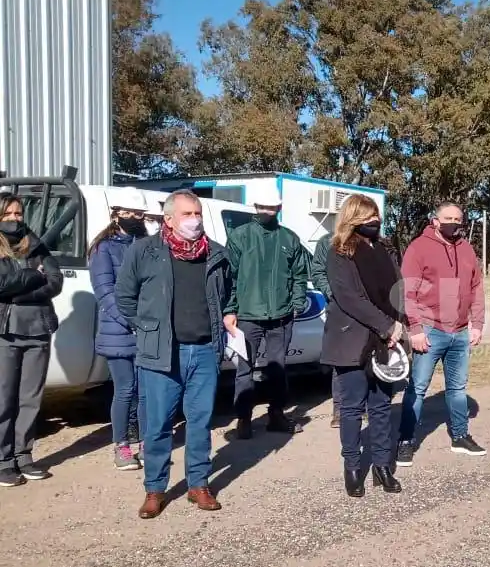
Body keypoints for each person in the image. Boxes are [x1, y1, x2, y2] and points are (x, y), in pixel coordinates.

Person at [116, 189, 233, 518]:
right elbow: (123, 296)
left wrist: (229, 314)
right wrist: (147, 327)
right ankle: (155, 489)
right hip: (162, 354)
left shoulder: (216, 254)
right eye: (187, 214)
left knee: (200, 422)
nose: (194, 220)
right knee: (157, 425)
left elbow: (229, 293)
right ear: (168, 219)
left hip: (205, 351)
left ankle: (198, 484)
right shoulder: (144, 251)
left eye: (197, 214)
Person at [321, 194, 406, 497]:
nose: (375, 222)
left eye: (377, 217)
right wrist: (385, 325)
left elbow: (399, 288)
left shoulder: (385, 249)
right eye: (369, 217)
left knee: (382, 406)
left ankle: (383, 465)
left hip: (387, 338)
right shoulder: (338, 251)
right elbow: (349, 298)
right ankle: (353, 466)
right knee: (352, 407)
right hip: (353, 338)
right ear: (353, 218)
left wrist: (398, 324)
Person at [396, 201, 486, 466]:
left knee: (457, 388)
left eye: (458, 219)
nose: (454, 223)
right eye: (448, 218)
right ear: (435, 221)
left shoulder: (467, 249)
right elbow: (408, 291)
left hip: (459, 332)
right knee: (418, 388)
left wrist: (477, 324)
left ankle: (460, 436)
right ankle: (406, 439)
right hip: (429, 329)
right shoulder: (418, 248)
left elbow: (477, 288)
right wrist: (415, 329)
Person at [224, 183, 309, 439]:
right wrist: (230, 310)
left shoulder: (289, 238)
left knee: (278, 369)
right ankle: (244, 419)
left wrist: (297, 303)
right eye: (262, 207)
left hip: (281, 317)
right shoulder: (240, 237)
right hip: (248, 316)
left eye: (272, 208)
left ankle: (276, 415)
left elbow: (299, 275)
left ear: (279, 208)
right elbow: (231, 277)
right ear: (255, 207)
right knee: (244, 369)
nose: (267, 212)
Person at [0, 194, 63, 487]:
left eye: (18, 213)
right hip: (5, 332)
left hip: (37, 330)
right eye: (8, 214)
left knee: (30, 400)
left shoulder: (35, 243)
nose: (14, 218)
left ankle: (24, 456)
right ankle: (3, 460)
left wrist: (18, 290)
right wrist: (31, 276)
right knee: (4, 400)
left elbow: (55, 281)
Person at [88, 188, 150, 471]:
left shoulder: (146, 243)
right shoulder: (103, 248)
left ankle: (146, 440)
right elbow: (105, 292)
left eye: (141, 214)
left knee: (146, 389)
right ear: (117, 214)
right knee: (125, 389)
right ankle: (122, 445)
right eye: (133, 213)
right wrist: (132, 319)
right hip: (119, 330)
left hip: (146, 328)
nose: (138, 218)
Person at [309, 232, 340, 428]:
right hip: (338, 309)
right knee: (341, 359)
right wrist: (332, 293)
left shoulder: (370, 241)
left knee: (366, 360)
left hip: (367, 310)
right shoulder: (327, 242)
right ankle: (340, 409)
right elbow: (317, 271)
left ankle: (365, 405)